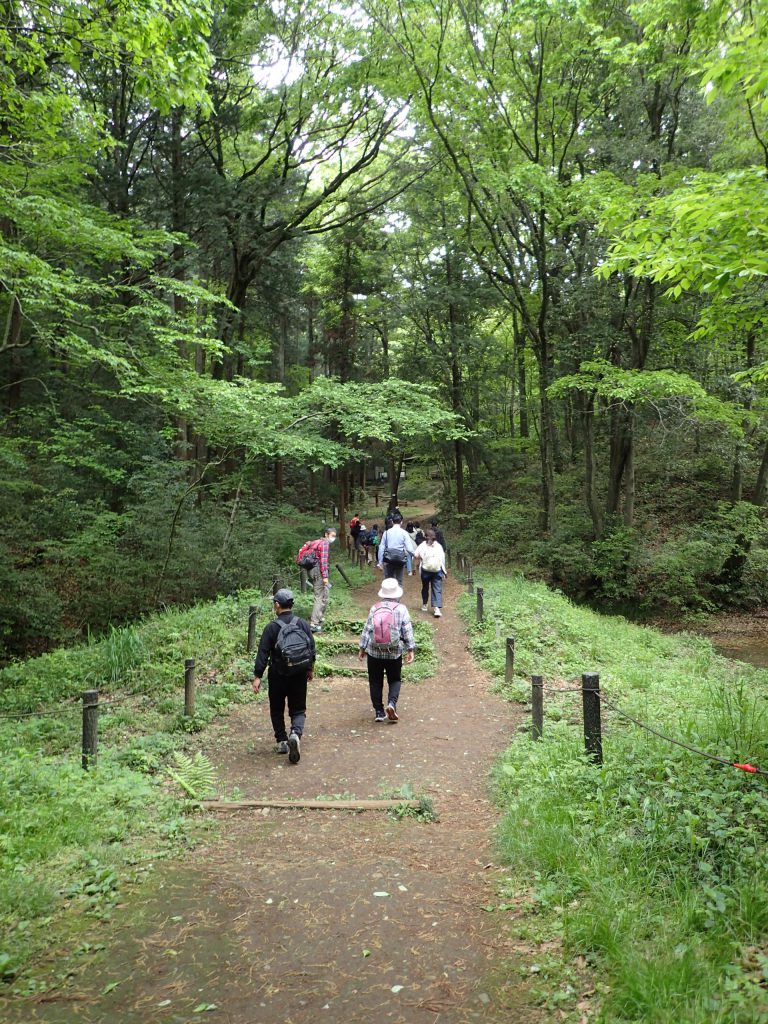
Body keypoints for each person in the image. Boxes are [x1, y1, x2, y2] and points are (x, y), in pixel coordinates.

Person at [252, 589, 316, 763]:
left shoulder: (272, 628)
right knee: (298, 709)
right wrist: (309, 668)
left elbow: (263, 653)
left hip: (278, 674)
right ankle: (295, 733)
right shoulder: (302, 624)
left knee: (277, 708)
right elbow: (311, 647)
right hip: (299, 673)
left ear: (277, 605)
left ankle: (281, 741)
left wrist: (258, 676)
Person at [358, 577, 415, 722]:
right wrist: (410, 649)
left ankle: (379, 711)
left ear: (383, 594)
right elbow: (407, 630)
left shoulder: (374, 608)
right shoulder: (401, 609)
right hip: (394, 651)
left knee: (375, 681)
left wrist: (362, 647)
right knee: (394, 679)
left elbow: (367, 628)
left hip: (374, 651)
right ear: (397, 594)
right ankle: (391, 704)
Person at [297, 526, 337, 633]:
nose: (333, 538)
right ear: (326, 535)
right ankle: (314, 623)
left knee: (325, 594)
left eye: (334, 536)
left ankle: (319, 618)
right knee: (319, 596)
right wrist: (325, 577)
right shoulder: (324, 544)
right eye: (332, 536)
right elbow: (323, 561)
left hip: (313, 570)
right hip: (318, 571)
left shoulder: (316, 542)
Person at [414, 529, 447, 617]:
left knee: (425, 587)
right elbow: (442, 559)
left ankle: (425, 604)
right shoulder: (439, 546)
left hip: (425, 570)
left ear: (425, 537)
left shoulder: (422, 545)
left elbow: (415, 554)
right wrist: (444, 571)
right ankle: (436, 609)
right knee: (437, 588)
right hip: (437, 570)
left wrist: (421, 557)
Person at [377, 513, 416, 586]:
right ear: (401, 522)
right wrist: (416, 555)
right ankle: (397, 597)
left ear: (392, 522)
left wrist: (380, 562)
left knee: (388, 581)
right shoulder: (404, 533)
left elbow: (381, 548)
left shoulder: (386, 533)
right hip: (400, 559)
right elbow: (409, 549)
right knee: (399, 582)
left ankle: (389, 596)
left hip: (388, 559)